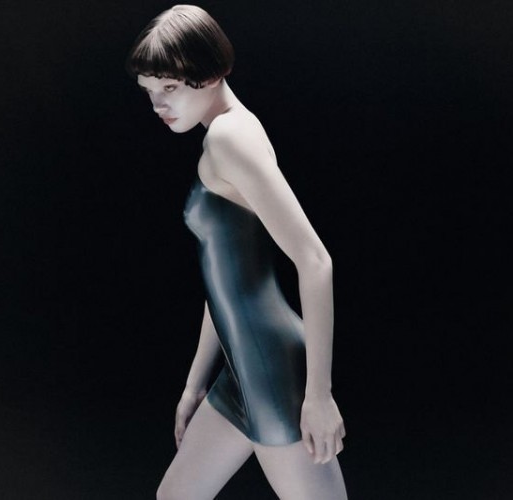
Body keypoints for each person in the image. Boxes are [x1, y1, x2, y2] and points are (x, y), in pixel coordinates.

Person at [125, 5, 348, 499]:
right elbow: (228, 279)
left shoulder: (230, 139)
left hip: (272, 374)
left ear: (208, 75)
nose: (158, 104)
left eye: (169, 87)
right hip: (242, 371)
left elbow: (315, 261)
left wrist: (319, 395)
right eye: (149, 91)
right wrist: (194, 384)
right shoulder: (227, 134)